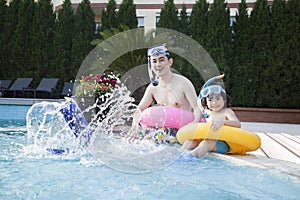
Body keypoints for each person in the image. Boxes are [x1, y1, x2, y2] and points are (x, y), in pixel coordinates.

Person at [126, 44, 202, 142]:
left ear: (170, 62)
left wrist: (194, 125)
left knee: (154, 139)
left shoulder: (183, 83)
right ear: (150, 65)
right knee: (135, 141)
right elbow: (139, 109)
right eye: (154, 61)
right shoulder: (153, 88)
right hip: (162, 131)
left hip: (182, 130)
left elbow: (197, 107)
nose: (158, 64)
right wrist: (134, 126)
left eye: (161, 60)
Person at [182, 83, 241, 157]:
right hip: (207, 139)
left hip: (223, 143)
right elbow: (198, 110)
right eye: (210, 99)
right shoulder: (207, 112)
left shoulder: (227, 111)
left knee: (206, 144)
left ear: (225, 99)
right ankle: (179, 155)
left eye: (218, 99)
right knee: (191, 141)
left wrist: (222, 122)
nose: (214, 102)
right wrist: (194, 123)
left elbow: (237, 124)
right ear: (206, 102)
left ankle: (190, 158)